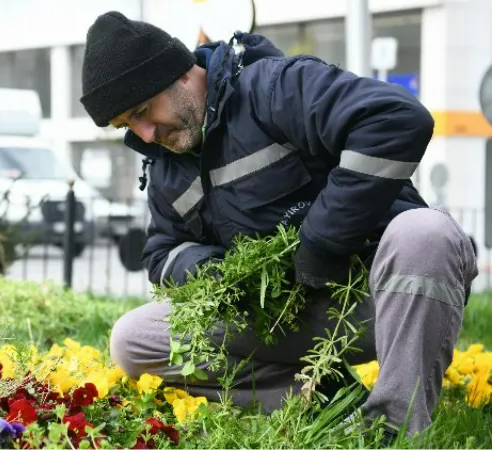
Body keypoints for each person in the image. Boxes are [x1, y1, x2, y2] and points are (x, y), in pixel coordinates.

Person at [78, 10, 478, 440]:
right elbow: (162, 252)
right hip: (282, 316)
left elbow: (397, 120)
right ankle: (328, 398)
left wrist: (323, 241)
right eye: (127, 126)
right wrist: (220, 272)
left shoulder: (273, 87)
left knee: (426, 233)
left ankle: (394, 429)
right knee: (134, 339)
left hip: (379, 301)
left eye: (143, 111)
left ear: (176, 74)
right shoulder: (165, 166)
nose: (145, 134)